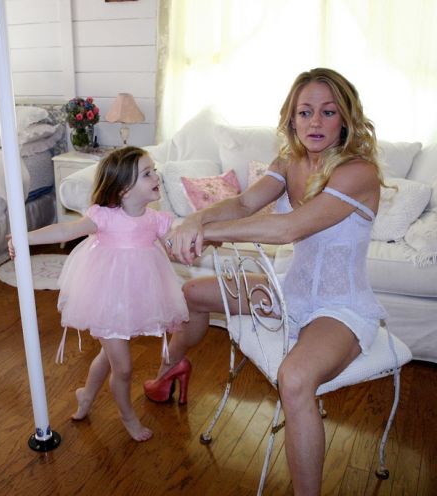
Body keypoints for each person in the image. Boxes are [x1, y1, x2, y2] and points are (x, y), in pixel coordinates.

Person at [144, 68, 387, 494]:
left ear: (345, 119)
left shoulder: (358, 172)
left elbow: (288, 228)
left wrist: (205, 232)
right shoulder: (289, 163)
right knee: (192, 293)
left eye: (328, 112)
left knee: (294, 379)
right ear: (292, 118)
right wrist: (196, 219)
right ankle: (169, 370)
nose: (315, 122)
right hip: (289, 292)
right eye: (305, 112)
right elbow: (243, 204)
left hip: (341, 308)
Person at [8, 146, 188, 442]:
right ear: (123, 189)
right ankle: (127, 416)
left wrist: (189, 246)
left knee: (109, 354)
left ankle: (86, 395)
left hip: (134, 299)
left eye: (154, 170)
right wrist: (23, 238)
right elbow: (65, 231)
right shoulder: (104, 216)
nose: (156, 177)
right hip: (105, 298)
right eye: (147, 173)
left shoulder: (156, 219)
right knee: (123, 367)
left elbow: (174, 246)